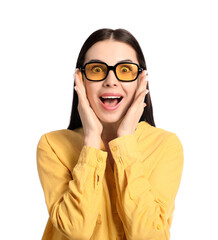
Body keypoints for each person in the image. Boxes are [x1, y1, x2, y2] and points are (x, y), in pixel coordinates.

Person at [37, 28, 184, 240]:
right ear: (80, 79)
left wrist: (125, 140)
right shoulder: (52, 145)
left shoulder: (166, 145)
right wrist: (91, 141)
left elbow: (149, 235)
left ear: (141, 79)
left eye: (125, 70)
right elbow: (75, 231)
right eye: (97, 70)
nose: (111, 81)